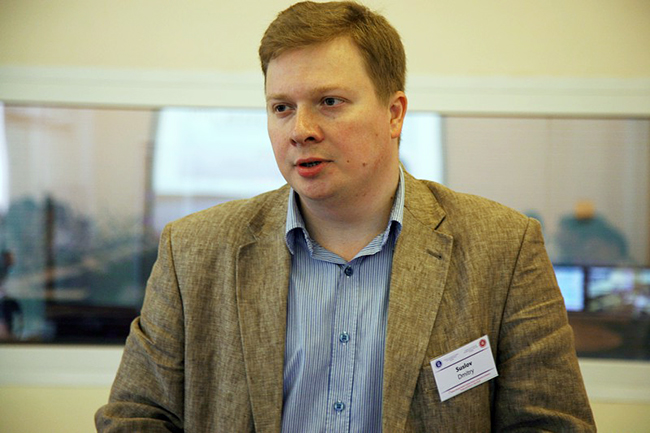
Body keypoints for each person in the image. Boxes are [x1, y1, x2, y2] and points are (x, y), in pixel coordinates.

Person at [96, 2, 596, 431]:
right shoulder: (194, 251)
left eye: (329, 102)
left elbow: (550, 424)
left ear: (394, 114)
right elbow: (136, 417)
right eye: (282, 107)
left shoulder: (502, 248)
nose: (301, 130)